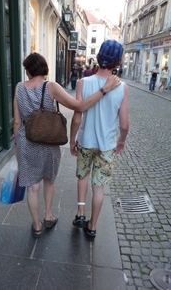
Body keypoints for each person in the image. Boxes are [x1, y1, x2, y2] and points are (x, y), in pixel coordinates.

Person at [13, 52, 120, 238]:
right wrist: (104, 89)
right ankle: (48, 215)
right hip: (48, 142)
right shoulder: (51, 86)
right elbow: (79, 106)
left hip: (26, 142)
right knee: (48, 179)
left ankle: (36, 226)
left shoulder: (19, 88)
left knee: (32, 187)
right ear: (44, 68)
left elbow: (16, 123)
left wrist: (18, 147)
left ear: (29, 70)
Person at [70, 40, 129, 241]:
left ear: (98, 58)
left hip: (86, 141)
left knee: (83, 177)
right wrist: (121, 140)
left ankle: (80, 214)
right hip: (107, 146)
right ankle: (93, 226)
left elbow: (77, 117)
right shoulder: (123, 88)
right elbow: (124, 124)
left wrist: (71, 140)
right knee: (99, 187)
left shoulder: (82, 83)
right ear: (118, 62)